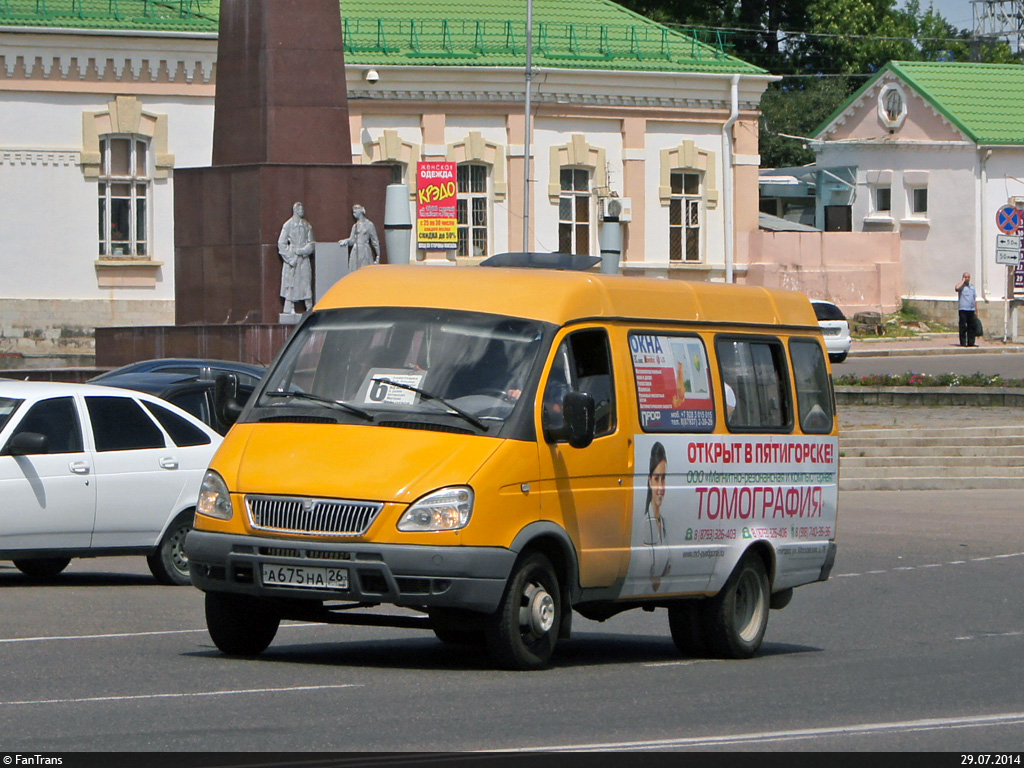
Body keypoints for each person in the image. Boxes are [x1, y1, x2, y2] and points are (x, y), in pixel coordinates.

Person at [643, 441, 671, 592]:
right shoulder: (644, 524)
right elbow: (653, 581)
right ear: (649, 480)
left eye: (663, 478)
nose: (661, 487)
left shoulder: (664, 523)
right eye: (656, 479)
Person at [278, 202, 315, 314]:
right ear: (295, 210)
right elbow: (281, 243)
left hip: (303, 259)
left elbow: (312, 243)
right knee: (291, 284)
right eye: (300, 209)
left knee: (306, 282)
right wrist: (290, 258)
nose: (302, 211)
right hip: (292, 259)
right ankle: (290, 308)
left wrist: (303, 251)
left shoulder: (307, 225)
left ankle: (309, 307)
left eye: (303, 209)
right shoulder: (288, 225)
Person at [339, 204, 380, 271]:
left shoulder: (369, 225)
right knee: (354, 271)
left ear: (361, 210)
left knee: (365, 271)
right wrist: (345, 241)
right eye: (353, 211)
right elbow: (351, 240)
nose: (354, 212)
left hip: (365, 250)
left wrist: (378, 256)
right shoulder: (355, 226)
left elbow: (375, 241)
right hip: (355, 251)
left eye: (356, 210)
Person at [955, 271, 978, 347]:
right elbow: (956, 288)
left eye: (968, 277)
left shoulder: (972, 287)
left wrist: (976, 310)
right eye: (965, 277)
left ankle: (971, 342)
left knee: (971, 327)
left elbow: (974, 299)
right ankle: (963, 342)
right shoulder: (961, 286)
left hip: (971, 310)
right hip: (963, 309)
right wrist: (963, 281)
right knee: (963, 326)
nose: (967, 278)